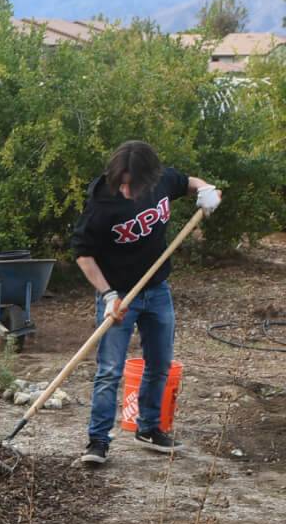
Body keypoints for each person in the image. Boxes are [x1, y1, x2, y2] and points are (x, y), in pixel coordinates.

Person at [71, 140, 219, 464]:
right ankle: (97, 442)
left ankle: (149, 427)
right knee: (110, 370)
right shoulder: (101, 202)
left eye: (132, 185)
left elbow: (188, 182)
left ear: (149, 179)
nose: (126, 191)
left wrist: (206, 190)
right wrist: (109, 295)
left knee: (160, 364)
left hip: (157, 290)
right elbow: (83, 254)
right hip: (118, 296)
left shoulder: (161, 180)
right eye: (121, 184)